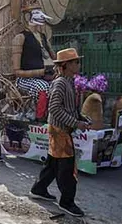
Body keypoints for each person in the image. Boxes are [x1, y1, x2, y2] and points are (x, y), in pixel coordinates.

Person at [30, 48, 89, 217]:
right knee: (67, 168)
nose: (78, 64)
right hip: (59, 131)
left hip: (62, 129)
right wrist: (75, 122)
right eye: (75, 62)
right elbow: (54, 108)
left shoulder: (70, 81)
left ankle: (39, 188)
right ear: (65, 65)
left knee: (53, 163)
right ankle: (66, 202)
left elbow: (70, 108)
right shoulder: (60, 83)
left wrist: (82, 118)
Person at [12, 0, 56, 121]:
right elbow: (17, 72)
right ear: (27, 17)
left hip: (47, 76)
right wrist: (40, 72)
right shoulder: (20, 38)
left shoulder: (43, 37)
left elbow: (54, 57)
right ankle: (40, 119)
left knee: (71, 85)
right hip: (26, 80)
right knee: (43, 88)